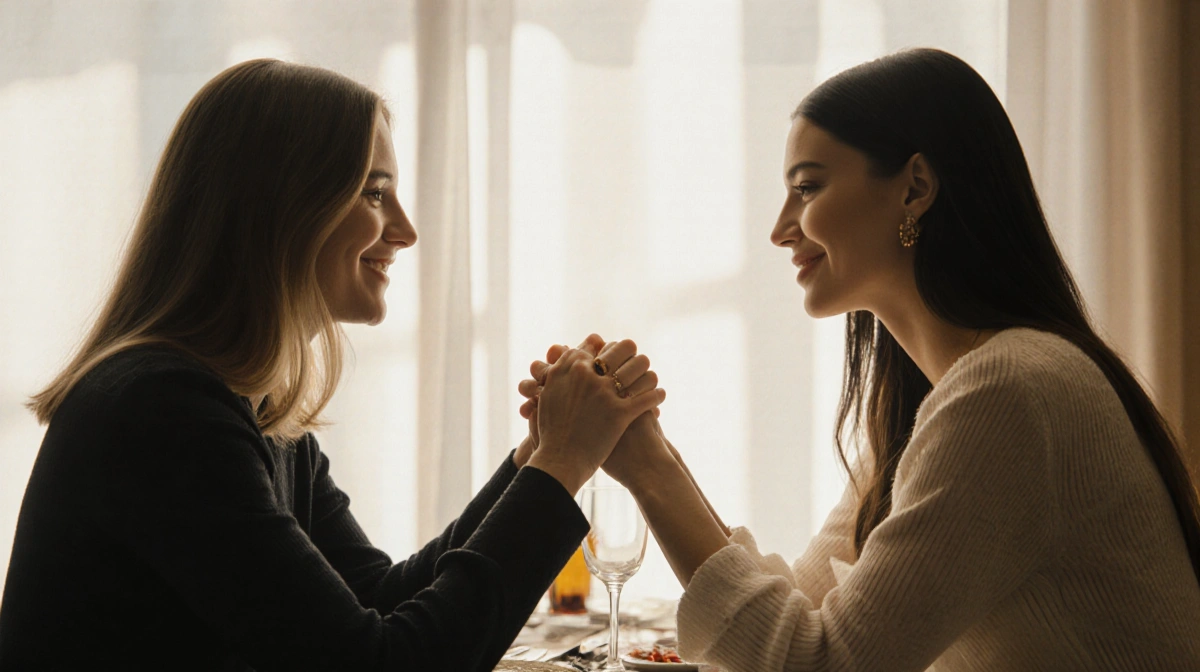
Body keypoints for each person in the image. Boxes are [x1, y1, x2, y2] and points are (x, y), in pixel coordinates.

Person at [522, 48, 1200, 670]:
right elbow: (808, 611)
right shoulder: (931, 403)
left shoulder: (1009, 392)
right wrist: (650, 446)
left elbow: (821, 663)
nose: (781, 227)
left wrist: (645, 470)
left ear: (914, 188)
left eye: (808, 187)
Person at [0, 59, 666, 671]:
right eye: (375, 194)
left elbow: (379, 596)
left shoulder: (248, 408)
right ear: (282, 210)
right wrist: (562, 467)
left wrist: (539, 456)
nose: (404, 231)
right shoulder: (162, 414)